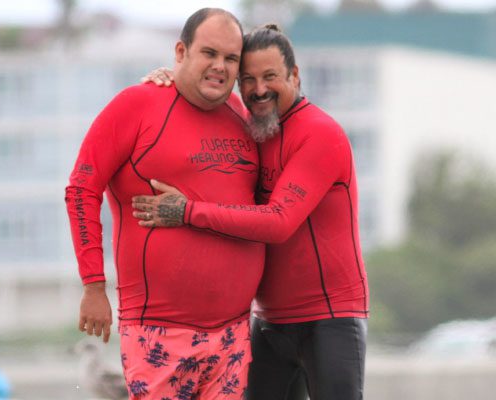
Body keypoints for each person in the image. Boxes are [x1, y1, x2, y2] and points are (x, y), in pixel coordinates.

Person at [135, 25, 369, 400]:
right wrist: (166, 76)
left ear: (295, 75)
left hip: (328, 320)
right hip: (268, 323)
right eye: (248, 80)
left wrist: (187, 211)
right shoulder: (255, 125)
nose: (259, 89)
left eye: (270, 77)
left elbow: (278, 223)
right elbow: (200, 90)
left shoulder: (320, 134)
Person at [64, 8, 264, 399]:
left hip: (235, 332)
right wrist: (93, 285)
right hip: (158, 331)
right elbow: (81, 188)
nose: (220, 67)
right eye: (209, 53)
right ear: (181, 51)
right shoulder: (137, 104)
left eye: (231, 58)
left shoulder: (244, 116)